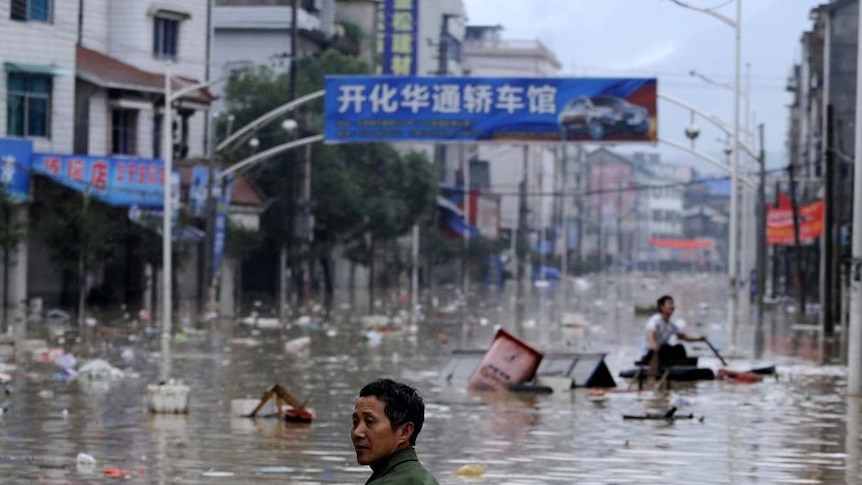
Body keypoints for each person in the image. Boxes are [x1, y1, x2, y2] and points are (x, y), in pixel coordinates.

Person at [351, 378, 439, 485]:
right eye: (355, 422)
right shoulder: (422, 477)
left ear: (405, 432)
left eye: (370, 421)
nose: (357, 432)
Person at [640, 295, 705, 368]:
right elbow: (651, 337)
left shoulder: (671, 325)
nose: (672, 306)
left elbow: (683, 337)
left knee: (679, 347)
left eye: (673, 304)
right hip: (651, 354)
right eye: (669, 303)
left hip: (662, 351)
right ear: (662, 307)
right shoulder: (654, 321)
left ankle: (682, 368)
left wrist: (699, 339)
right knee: (665, 347)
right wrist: (655, 347)